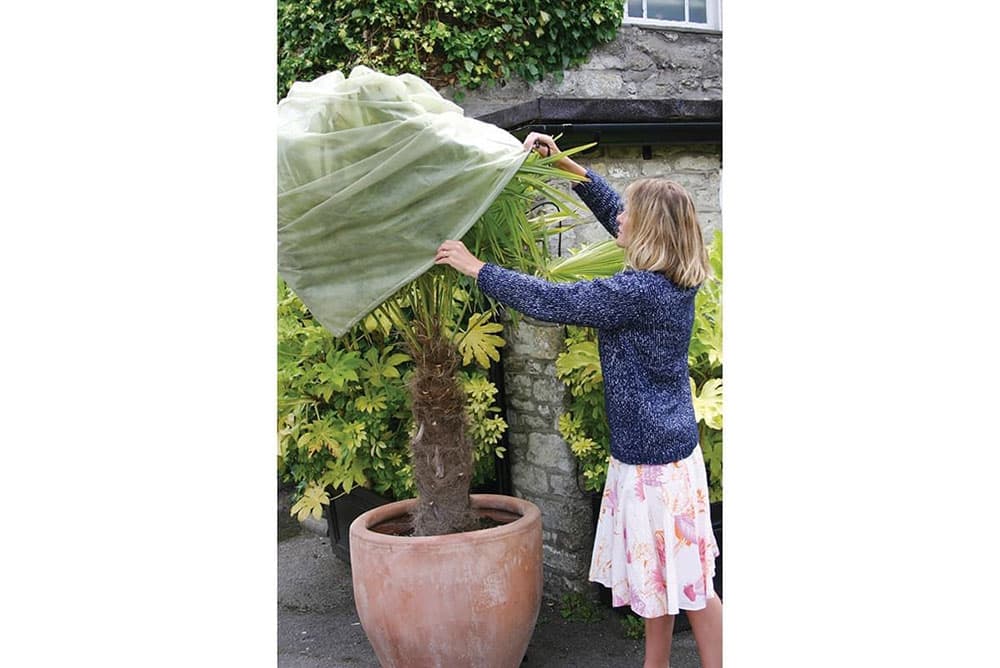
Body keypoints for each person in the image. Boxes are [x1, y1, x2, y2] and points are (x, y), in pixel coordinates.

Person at [435, 132, 722, 668]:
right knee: (658, 578)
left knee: (692, 586)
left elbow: (552, 299)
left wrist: (477, 268)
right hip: (663, 453)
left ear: (650, 232)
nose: (621, 222)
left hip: (654, 466)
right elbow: (614, 205)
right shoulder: (670, 276)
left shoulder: (638, 293)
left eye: (631, 218)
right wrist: (565, 164)